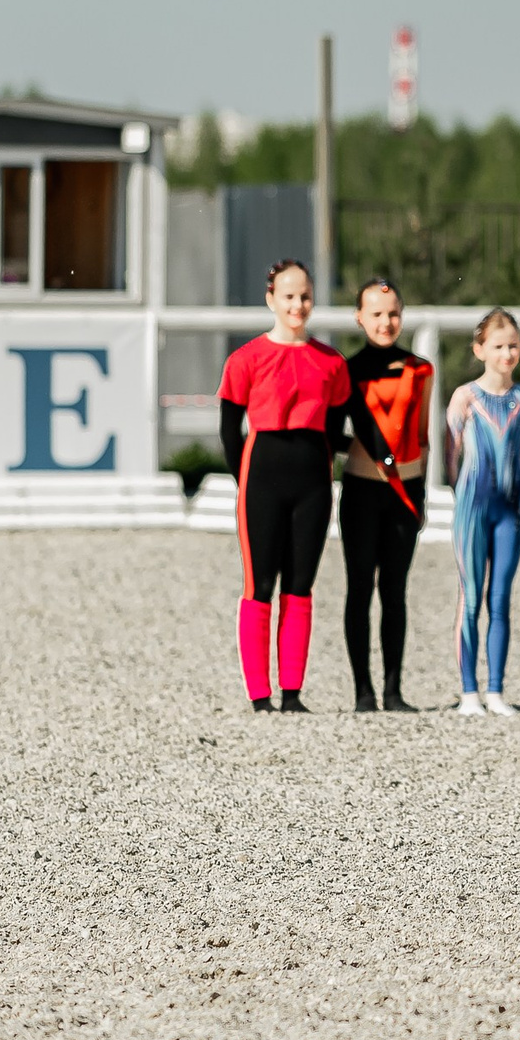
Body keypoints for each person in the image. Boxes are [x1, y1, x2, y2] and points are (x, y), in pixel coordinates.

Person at [217, 259, 350, 715]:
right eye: (289, 296)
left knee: (300, 584)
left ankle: (292, 693)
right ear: (271, 299)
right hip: (261, 479)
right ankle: (259, 695)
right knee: (260, 584)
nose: (298, 304)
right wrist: (245, 481)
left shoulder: (331, 362)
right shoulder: (245, 359)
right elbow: (228, 429)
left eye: (305, 296)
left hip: (313, 480)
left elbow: (334, 431)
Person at [342, 277, 433, 713]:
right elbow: (332, 433)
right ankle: (363, 692)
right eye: (376, 313)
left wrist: (424, 495)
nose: (386, 321)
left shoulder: (420, 369)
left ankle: (394, 690)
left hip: (405, 493)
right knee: (359, 589)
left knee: (394, 590)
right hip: (360, 491)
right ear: (360, 317)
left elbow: (422, 436)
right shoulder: (347, 370)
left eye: (393, 313)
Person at [447, 309, 520, 716]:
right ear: (480, 349)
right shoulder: (464, 397)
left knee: (500, 598)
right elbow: (452, 458)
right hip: (472, 508)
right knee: (470, 598)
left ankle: (496, 690)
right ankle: (469, 692)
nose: (507, 353)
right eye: (499, 346)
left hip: (510, 512)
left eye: (513, 346)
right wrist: (459, 495)